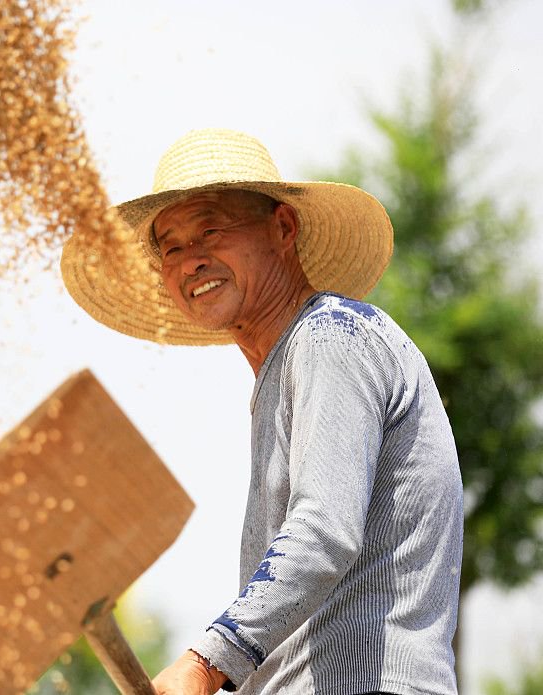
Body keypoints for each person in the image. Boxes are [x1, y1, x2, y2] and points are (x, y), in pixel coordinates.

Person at [61, 129, 463, 694]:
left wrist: (204, 664)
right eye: (170, 247)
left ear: (282, 229)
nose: (191, 260)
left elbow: (323, 533)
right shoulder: (290, 366)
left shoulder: (330, 336)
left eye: (211, 230)